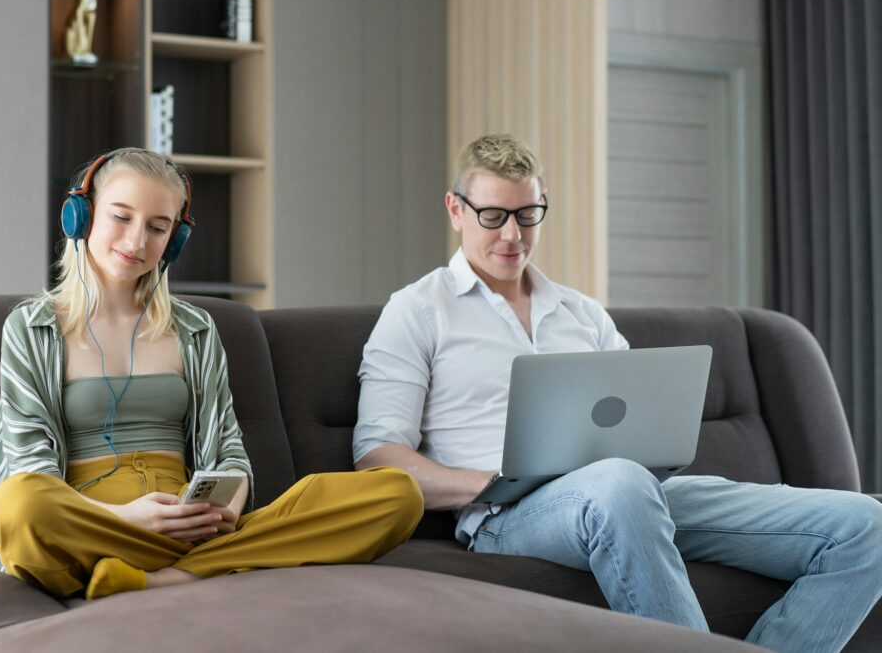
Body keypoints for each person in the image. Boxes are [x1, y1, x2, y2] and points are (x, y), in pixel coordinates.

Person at [353, 133, 882, 652]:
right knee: (619, 482)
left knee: (866, 526)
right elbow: (377, 458)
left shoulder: (582, 313)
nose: (512, 235)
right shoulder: (418, 310)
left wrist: (651, 456)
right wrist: (488, 482)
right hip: (510, 517)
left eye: (527, 214)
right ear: (456, 209)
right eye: (493, 216)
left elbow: (634, 426)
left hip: (633, 495)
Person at [0, 148, 422, 600]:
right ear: (81, 216)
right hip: (93, 528)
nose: (136, 242)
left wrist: (226, 506)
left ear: (174, 241)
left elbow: (228, 448)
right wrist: (127, 518)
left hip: (187, 529)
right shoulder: (33, 327)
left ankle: (167, 578)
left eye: (158, 228)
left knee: (397, 493)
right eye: (121, 217)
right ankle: (207, 569)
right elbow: (28, 464)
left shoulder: (194, 330)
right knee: (18, 505)